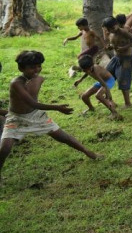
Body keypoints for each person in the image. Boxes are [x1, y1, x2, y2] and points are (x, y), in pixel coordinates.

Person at [0, 51, 101, 180]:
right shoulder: (16, 83)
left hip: (36, 116)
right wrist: (57, 108)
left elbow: (33, 103)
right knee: (4, 149)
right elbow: (31, 102)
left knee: (64, 137)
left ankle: (89, 153)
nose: (36, 70)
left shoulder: (39, 79)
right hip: (16, 119)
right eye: (32, 67)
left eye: (39, 66)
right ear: (21, 68)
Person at [103, 16, 132, 107]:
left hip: (126, 59)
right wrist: (110, 47)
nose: (111, 30)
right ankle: (109, 99)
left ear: (117, 25)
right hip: (116, 58)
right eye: (109, 29)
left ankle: (128, 103)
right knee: (106, 76)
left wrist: (125, 47)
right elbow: (113, 44)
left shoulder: (123, 32)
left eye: (113, 28)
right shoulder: (110, 33)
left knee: (123, 80)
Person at [73, 55, 122, 120]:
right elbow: (87, 73)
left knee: (98, 96)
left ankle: (114, 112)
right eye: (83, 70)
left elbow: (104, 85)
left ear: (90, 67)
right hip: (102, 82)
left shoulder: (96, 70)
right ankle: (91, 108)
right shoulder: (88, 69)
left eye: (85, 70)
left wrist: (108, 95)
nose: (84, 71)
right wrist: (80, 80)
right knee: (84, 96)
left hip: (109, 81)